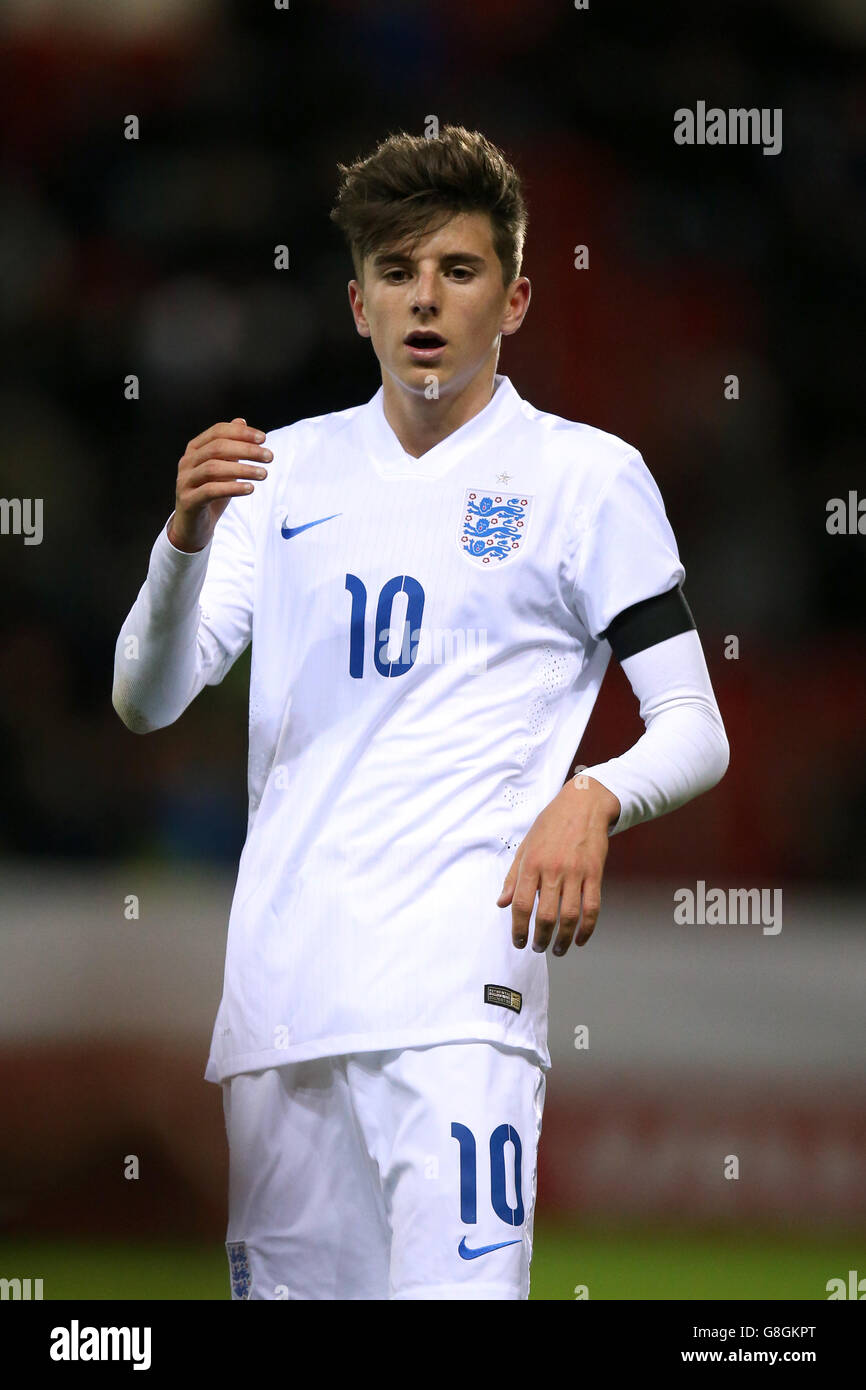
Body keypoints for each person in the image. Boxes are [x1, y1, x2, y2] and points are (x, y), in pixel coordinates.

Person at [112, 125, 729, 1301]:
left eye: (458, 269)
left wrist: (592, 795)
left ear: (517, 294)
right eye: (397, 274)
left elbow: (693, 722)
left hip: (457, 1007)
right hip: (280, 1010)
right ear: (357, 304)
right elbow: (146, 699)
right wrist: (181, 542)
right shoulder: (275, 474)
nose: (425, 300)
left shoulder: (583, 477)